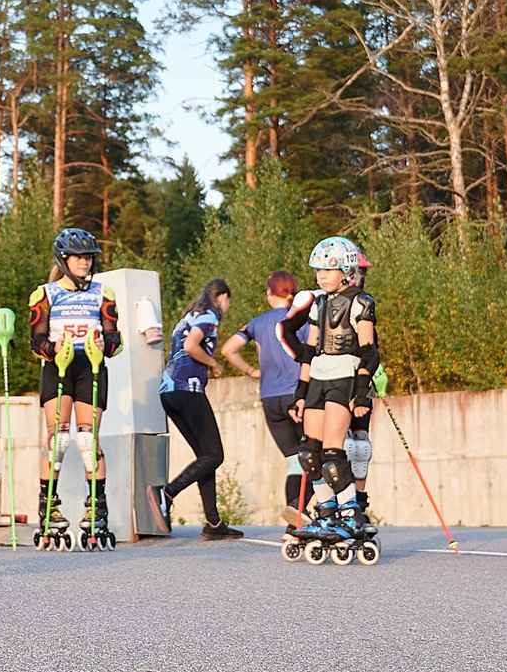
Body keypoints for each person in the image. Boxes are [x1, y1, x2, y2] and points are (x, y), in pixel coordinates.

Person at [278, 237, 380, 557]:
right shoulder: (319, 304)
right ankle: (325, 514)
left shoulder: (362, 302)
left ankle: (350, 514)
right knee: (309, 454)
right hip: (319, 377)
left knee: (334, 453)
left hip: (344, 375)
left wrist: (362, 392)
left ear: (346, 270)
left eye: (329, 269)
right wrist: (300, 393)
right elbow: (309, 350)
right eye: (318, 269)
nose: (321, 275)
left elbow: (369, 352)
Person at [26, 228, 122, 549]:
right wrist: (52, 350)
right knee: (58, 438)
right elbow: (35, 340)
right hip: (59, 367)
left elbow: (114, 338)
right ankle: (49, 506)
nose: (85, 262)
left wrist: (104, 344)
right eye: (79, 257)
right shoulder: (46, 293)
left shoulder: (102, 293)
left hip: (90, 366)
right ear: (64, 260)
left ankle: (97, 507)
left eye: (89, 257)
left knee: (87, 438)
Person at [150, 277, 243, 539]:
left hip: (168, 392)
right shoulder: (209, 315)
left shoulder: (189, 314)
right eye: (229, 302)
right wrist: (213, 363)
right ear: (223, 297)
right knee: (215, 455)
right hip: (187, 390)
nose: (228, 307)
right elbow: (192, 346)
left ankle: (213, 524)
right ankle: (167, 492)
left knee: (206, 456)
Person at [220, 270, 307, 518]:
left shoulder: (258, 323)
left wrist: (250, 370)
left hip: (270, 398)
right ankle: (301, 514)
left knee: (293, 462)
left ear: (270, 294)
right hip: (297, 395)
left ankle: (295, 513)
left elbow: (228, 349)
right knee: (310, 458)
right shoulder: (301, 319)